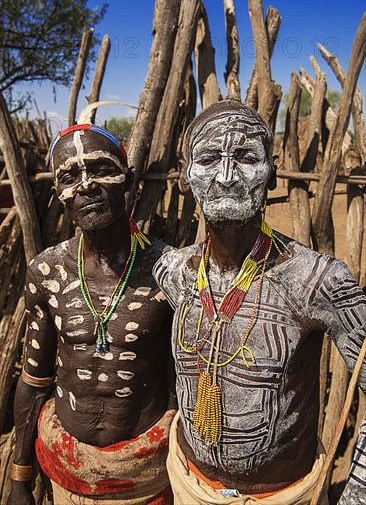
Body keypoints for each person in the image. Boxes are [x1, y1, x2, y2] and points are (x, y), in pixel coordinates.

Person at [153, 99, 366, 504]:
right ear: (185, 177)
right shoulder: (173, 271)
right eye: (209, 158)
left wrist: (356, 492)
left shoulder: (316, 280)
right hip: (189, 483)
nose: (228, 175)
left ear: (271, 174)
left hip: (286, 494)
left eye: (247, 157)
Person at [11, 124, 175, 504]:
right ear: (59, 195)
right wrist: (20, 477)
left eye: (101, 169)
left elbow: (189, 380)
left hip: (145, 478)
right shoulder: (47, 272)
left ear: (128, 180)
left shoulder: (168, 271)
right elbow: (34, 381)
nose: (86, 186)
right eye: (70, 176)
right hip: (68, 475)